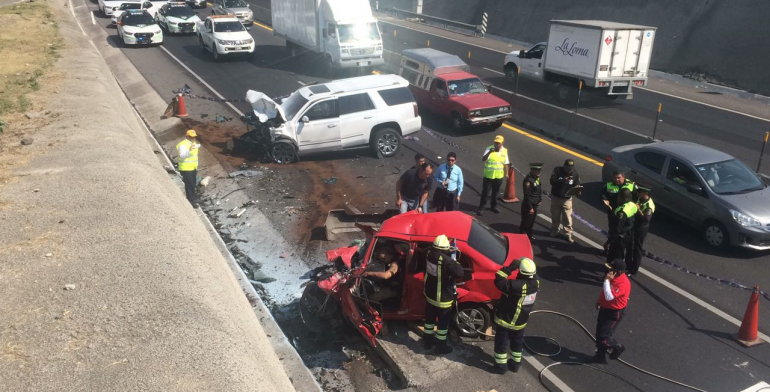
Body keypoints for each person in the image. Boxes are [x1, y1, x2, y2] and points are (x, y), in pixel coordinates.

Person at [489, 257, 539, 374]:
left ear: (520, 271)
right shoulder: (536, 283)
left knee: (501, 345)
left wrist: (511, 267)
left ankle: (500, 368)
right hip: (521, 322)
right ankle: (515, 365)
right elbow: (535, 274)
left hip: (507, 321)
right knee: (517, 344)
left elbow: (499, 279)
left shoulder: (515, 285)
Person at [422, 234, 464, 354]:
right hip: (443, 299)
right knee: (442, 325)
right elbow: (459, 272)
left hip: (430, 295)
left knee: (429, 321)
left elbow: (425, 250)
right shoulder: (447, 261)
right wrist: (454, 260)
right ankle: (441, 346)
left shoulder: (428, 253)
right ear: (445, 249)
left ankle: (428, 341)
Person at [590, 258, 631, 364]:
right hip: (605, 308)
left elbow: (609, 296)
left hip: (614, 312)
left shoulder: (623, 283)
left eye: (612, 269)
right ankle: (600, 356)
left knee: (604, 336)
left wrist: (607, 281)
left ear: (620, 271)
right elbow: (605, 291)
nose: (609, 271)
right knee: (600, 333)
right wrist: (600, 301)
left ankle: (617, 347)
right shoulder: (612, 277)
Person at [476, 135, 510, 216]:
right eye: (495, 142)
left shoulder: (505, 151)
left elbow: (505, 163)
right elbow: (483, 159)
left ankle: (493, 206)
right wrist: (489, 152)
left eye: (498, 143)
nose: (496, 144)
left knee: (496, 192)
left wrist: (507, 173)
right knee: (485, 193)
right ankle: (481, 207)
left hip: (498, 176)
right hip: (489, 176)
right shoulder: (489, 148)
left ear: (502, 143)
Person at [602, 171, 636, 249]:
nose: (617, 180)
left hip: (625, 212)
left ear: (623, 177)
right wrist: (604, 199)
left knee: (621, 230)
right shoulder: (609, 185)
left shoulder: (631, 185)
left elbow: (636, 197)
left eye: (619, 178)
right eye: (615, 178)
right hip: (613, 211)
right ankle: (609, 248)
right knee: (612, 229)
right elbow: (602, 194)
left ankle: (614, 246)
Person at [549, 159, 581, 243]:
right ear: (564, 166)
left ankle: (568, 234)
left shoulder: (575, 173)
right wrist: (563, 180)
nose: (569, 170)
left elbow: (576, 184)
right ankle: (554, 230)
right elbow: (552, 181)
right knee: (555, 216)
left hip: (567, 199)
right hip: (556, 197)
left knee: (567, 217)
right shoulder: (557, 170)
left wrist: (578, 190)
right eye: (567, 168)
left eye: (571, 168)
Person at [629, 185, 655, 276]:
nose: (638, 193)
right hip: (635, 224)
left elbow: (646, 219)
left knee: (637, 248)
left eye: (640, 192)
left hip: (641, 228)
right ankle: (628, 264)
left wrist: (638, 209)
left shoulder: (649, 206)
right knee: (630, 245)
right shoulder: (641, 199)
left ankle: (633, 269)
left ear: (646, 193)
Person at [607, 188, 637, 265]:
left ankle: (611, 273)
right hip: (628, 234)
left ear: (622, 197)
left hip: (619, 237)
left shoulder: (622, 211)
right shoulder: (632, 204)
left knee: (613, 256)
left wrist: (610, 240)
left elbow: (618, 227)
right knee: (620, 254)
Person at [176, 129, 200, 207]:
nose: (193, 139)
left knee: (193, 183)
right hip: (186, 168)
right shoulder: (183, 145)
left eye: (194, 137)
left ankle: (194, 198)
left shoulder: (194, 143)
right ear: (187, 136)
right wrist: (189, 150)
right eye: (191, 137)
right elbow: (182, 156)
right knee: (189, 185)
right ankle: (191, 201)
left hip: (193, 167)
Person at [520, 163, 543, 241]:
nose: (539, 172)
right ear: (532, 170)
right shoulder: (529, 181)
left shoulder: (536, 178)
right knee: (526, 223)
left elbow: (539, 189)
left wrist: (540, 199)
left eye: (540, 170)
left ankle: (529, 236)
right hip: (528, 205)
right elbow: (527, 195)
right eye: (537, 170)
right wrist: (530, 207)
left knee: (531, 222)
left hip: (534, 204)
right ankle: (522, 238)